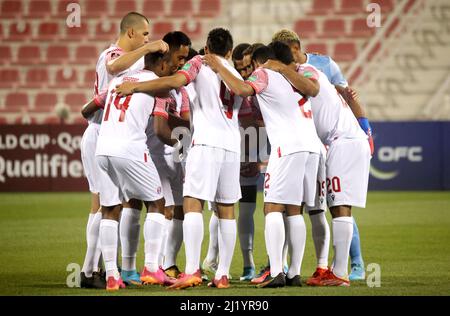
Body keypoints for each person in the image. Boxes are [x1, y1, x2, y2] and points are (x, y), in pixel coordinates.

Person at [115, 28, 250, 290]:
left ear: (207, 48)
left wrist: (136, 87)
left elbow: (176, 82)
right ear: (231, 52)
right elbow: (244, 106)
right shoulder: (234, 72)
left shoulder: (199, 62)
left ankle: (192, 270)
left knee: (192, 204)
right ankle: (222, 274)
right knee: (226, 210)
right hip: (232, 146)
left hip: (206, 143)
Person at [203, 43, 321, 288]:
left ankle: (277, 271)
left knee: (272, 208)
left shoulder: (264, 73)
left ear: (261, 61)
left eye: (253, 65)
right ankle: (294, 274)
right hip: (310, 146)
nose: (252, 70)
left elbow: (241, 89)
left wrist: (218, 68)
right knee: (294, 209)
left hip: (286, 147)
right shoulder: (300, 76)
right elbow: (311, 90)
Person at [264, 43, 371, 286]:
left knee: (340, 206)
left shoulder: (306, 71)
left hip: (342, 141)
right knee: (335, 206)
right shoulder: (307, 74)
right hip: (340, 141)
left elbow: (313, 90)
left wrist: (280, 68)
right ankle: (333, 269)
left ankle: (340, 272)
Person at [79, 12, 167, 288]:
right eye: (144, 35)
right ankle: (89, 270)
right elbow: (115, 68)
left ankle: (107, 271)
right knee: (101, 205)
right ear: (131, 33)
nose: (147, 40)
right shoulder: (113, 54)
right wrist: (149, 48)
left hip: (107, 133)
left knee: (111, 206)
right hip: (101, 132)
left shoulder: (135, 64)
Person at [95, 49, 183, 291]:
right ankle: (152, 267)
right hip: (130, 148)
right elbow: (160, 127)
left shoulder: (118, 80)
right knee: (158, 202)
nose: (173, 69)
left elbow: (89, 108)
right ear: (161, 64)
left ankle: (113, 275)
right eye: (170, 65)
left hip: (103, 149)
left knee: (110, 209)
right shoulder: (160, 86)